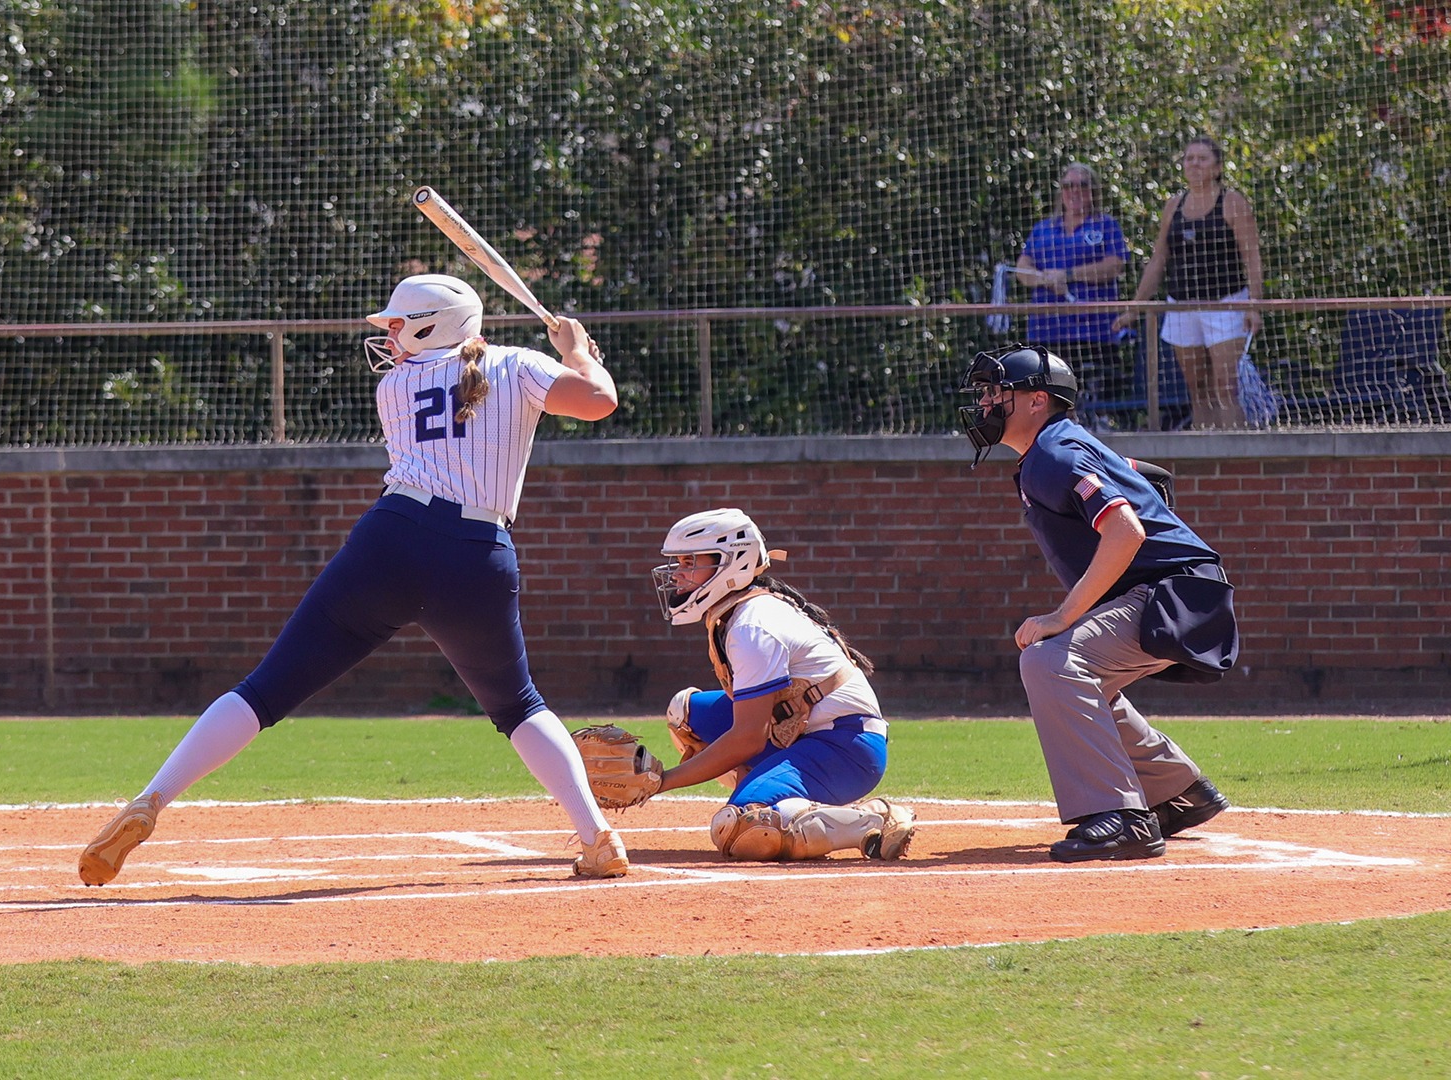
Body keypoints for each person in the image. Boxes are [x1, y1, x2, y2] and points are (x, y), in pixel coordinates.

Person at [77, 273, 632, 884]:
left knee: (266, 690)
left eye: (397, 324)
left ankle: (151, 798)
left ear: (432, 325)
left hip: (390, 542)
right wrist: (578, 350)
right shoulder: (515, 364)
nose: (390, 336)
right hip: (477, 554)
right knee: (519, 705)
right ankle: (597, 836)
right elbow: (599, 400)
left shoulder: (398, 387)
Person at [956, 345, 1235, 863]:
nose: (987, 402)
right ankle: (1176, 789)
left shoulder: (1054, 452)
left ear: (1037, 400)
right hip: (1179, 590)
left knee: (1051, 659)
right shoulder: (1055, 447)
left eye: (998, 392)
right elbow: (1150, 480)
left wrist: (1064, 615)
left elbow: (1125, 530)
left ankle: (1122, 817)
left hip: (1175, 595)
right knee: (1073, 673)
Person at [645, 508, 917, 863]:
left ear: (730, 564)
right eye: (678, 562)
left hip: (843, 748)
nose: (678, 574)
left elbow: (748, 737)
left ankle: (873, 820)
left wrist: (661, 781)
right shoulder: (739, 611)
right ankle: (767, 786)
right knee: (685, 712)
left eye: (689, 562)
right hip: (807, 730)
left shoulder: (751, 626)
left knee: (741, 827)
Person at [1112, 137, 1265, 429]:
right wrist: (1134, 308)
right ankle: (1208, 463)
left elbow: (1252, 258)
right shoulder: (1174, 206)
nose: (1194, 164)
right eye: (1189, 158)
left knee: (1226, 388)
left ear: (1218, 167)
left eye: (1202, 158)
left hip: (1226, 303)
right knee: (1198, 389)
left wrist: (1253, 306)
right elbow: (1158, 260)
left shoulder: (1232, 203)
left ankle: (1237, 455)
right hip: (1181, 306)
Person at [1013, 163, 1130, 411]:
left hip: (1093, 334)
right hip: (1047, 332)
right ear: (1061, 192)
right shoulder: (1043, 229)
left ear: (1093, 192)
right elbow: (1022, 268)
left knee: (1090, 403)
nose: (1074, 191)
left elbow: (1115, 265)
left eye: (1082, 186)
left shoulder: (1106, 226)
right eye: (1068, 186)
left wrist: (1069, 275)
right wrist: (1045, 279)